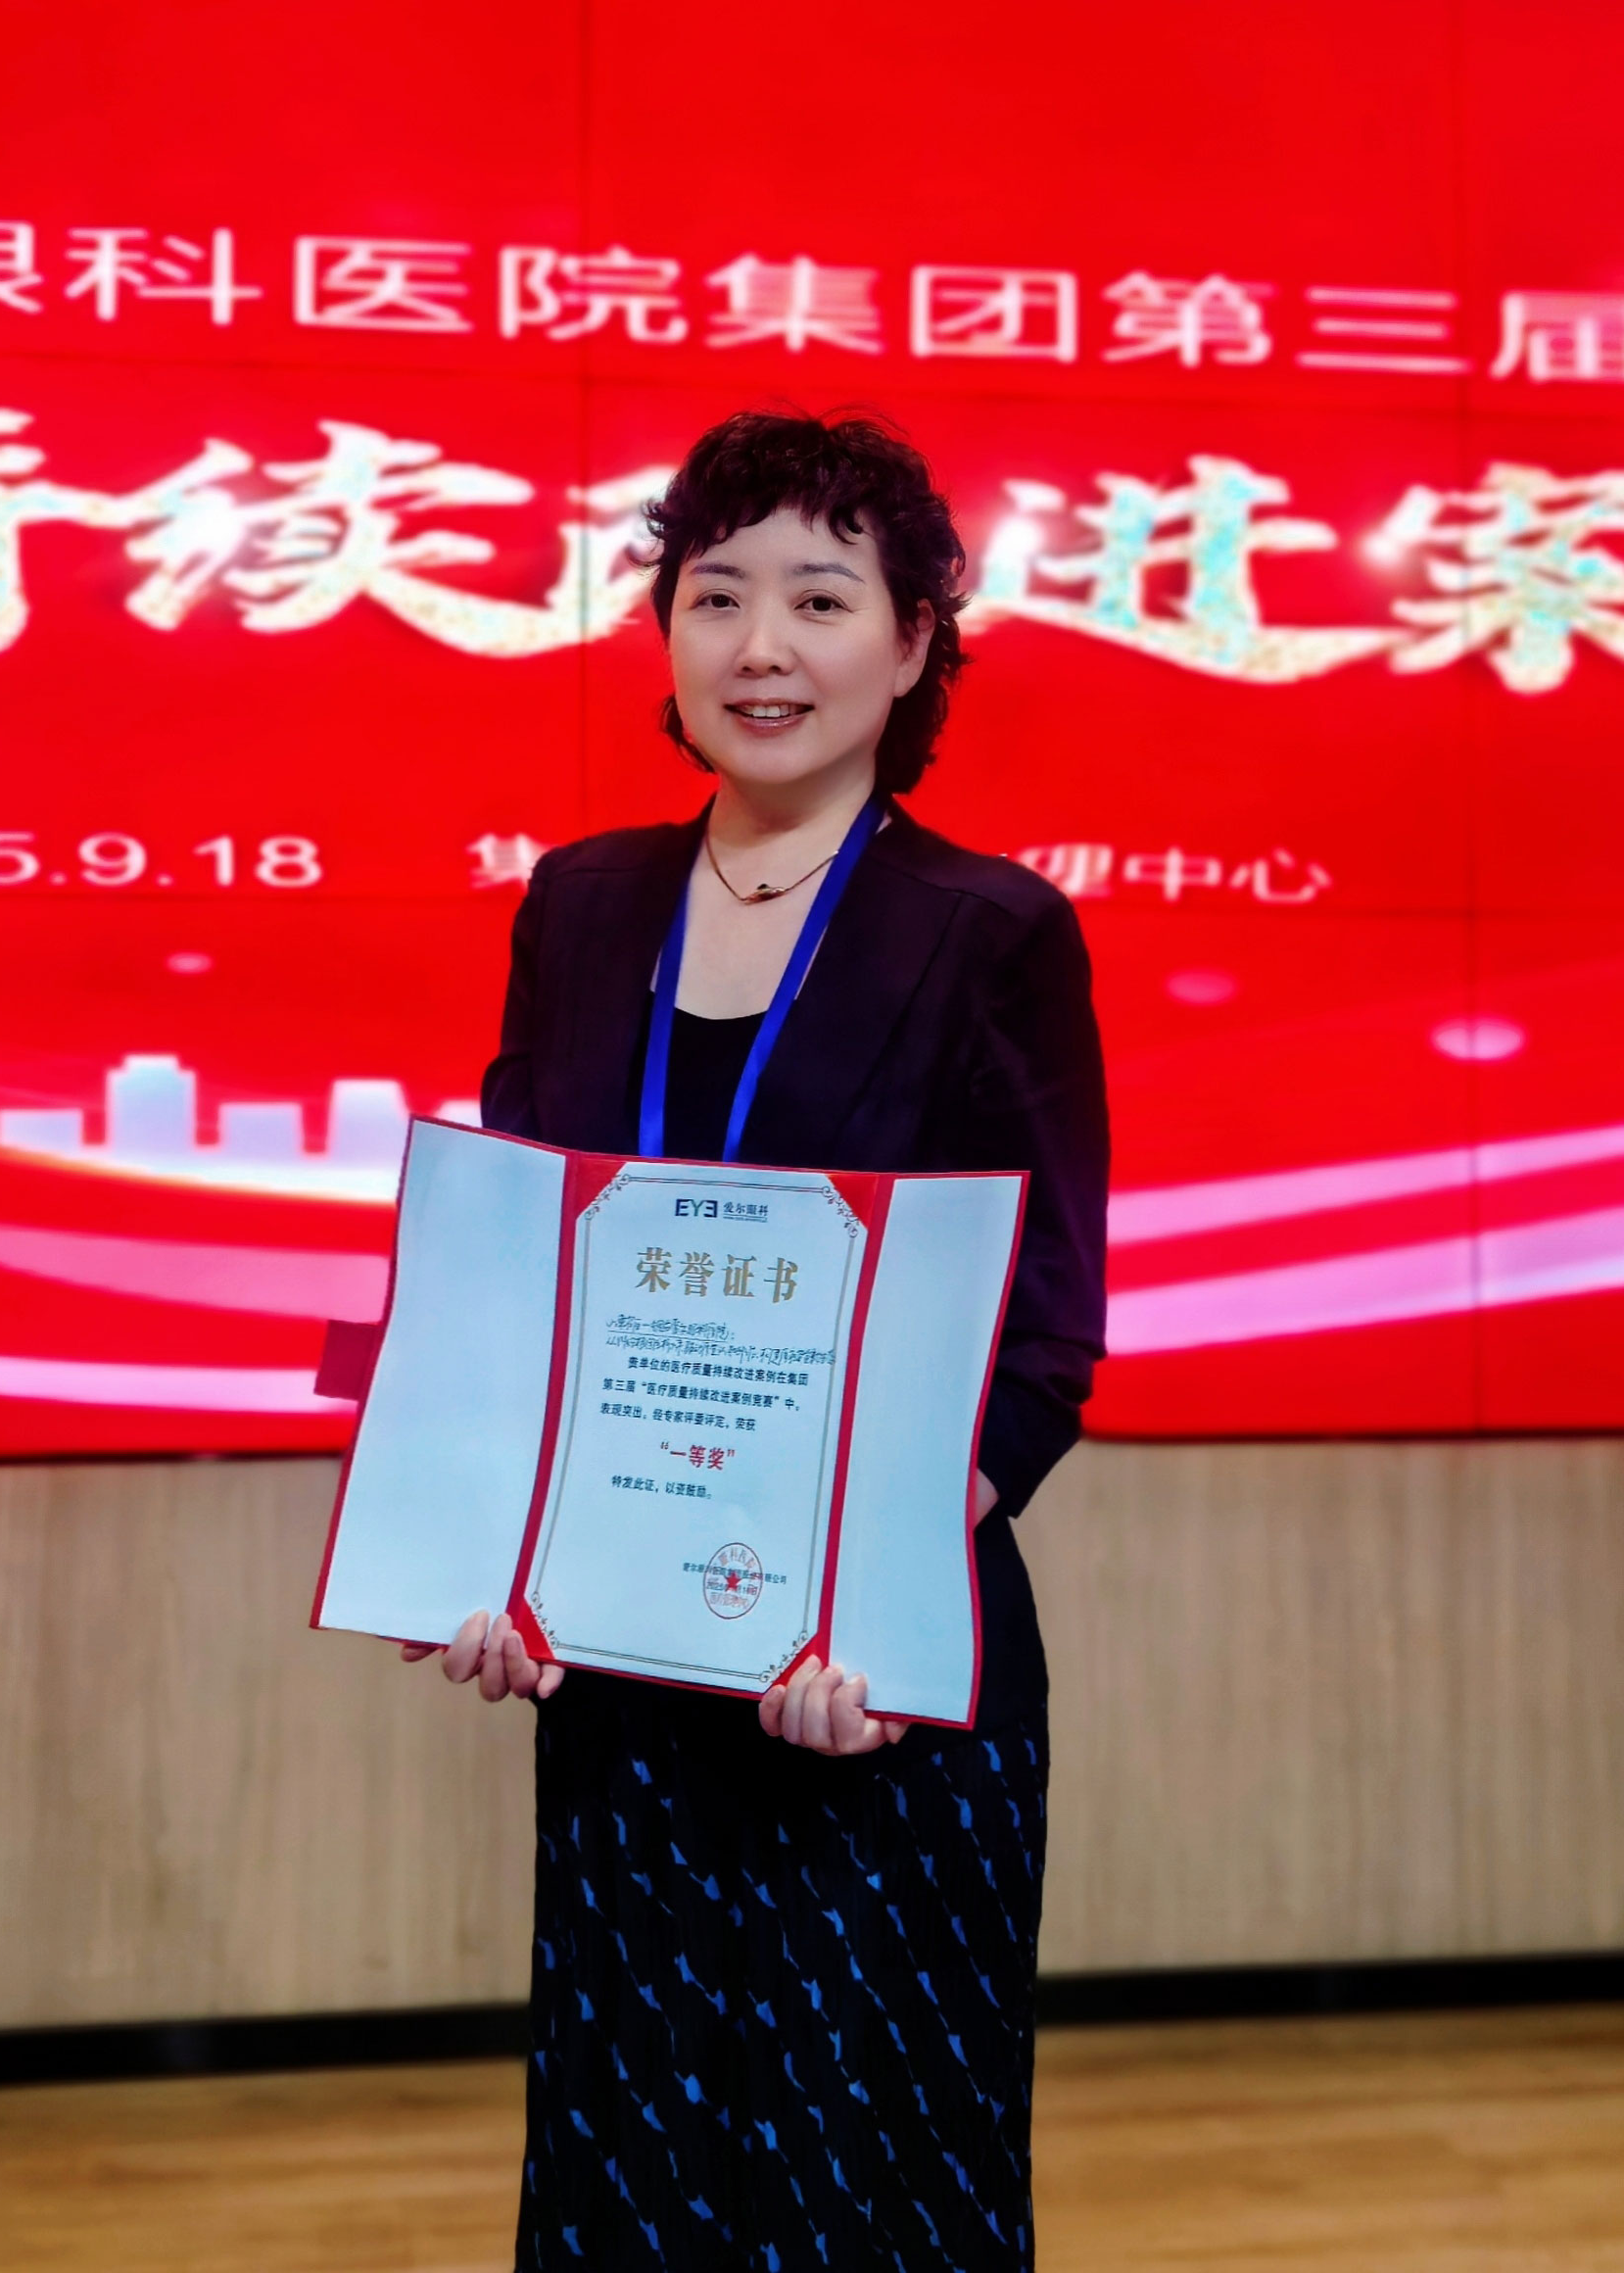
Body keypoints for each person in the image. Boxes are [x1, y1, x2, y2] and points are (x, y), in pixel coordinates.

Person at [406, 406, 1109, 2270]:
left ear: (915, 640)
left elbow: (1043, 1337)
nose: (761, 646)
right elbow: (520, 1277)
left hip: (871, 1684)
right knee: (635, 2171)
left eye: (820, 597)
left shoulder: (991, 931)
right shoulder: (582, 905)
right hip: (628, 1672)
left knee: (872, 2184)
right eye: (715, 596)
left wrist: (872, 1597)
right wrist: (499, 1554)